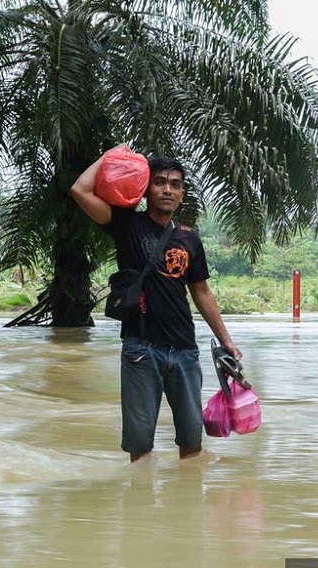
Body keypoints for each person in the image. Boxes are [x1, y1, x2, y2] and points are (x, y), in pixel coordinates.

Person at [70, 149, 242, 462]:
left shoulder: (189, 238)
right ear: (146, 188)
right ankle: (141, 506)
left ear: (182, 194)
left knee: (192, 441)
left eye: (175, 185)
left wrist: (226, 340)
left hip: (185, 351)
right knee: (140, 446)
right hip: (140, 349)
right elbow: (79, 190)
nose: (167, 190)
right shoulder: (126, 224)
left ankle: (187, 507)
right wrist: (110, 155)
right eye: (160, 182)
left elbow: (201, 291)